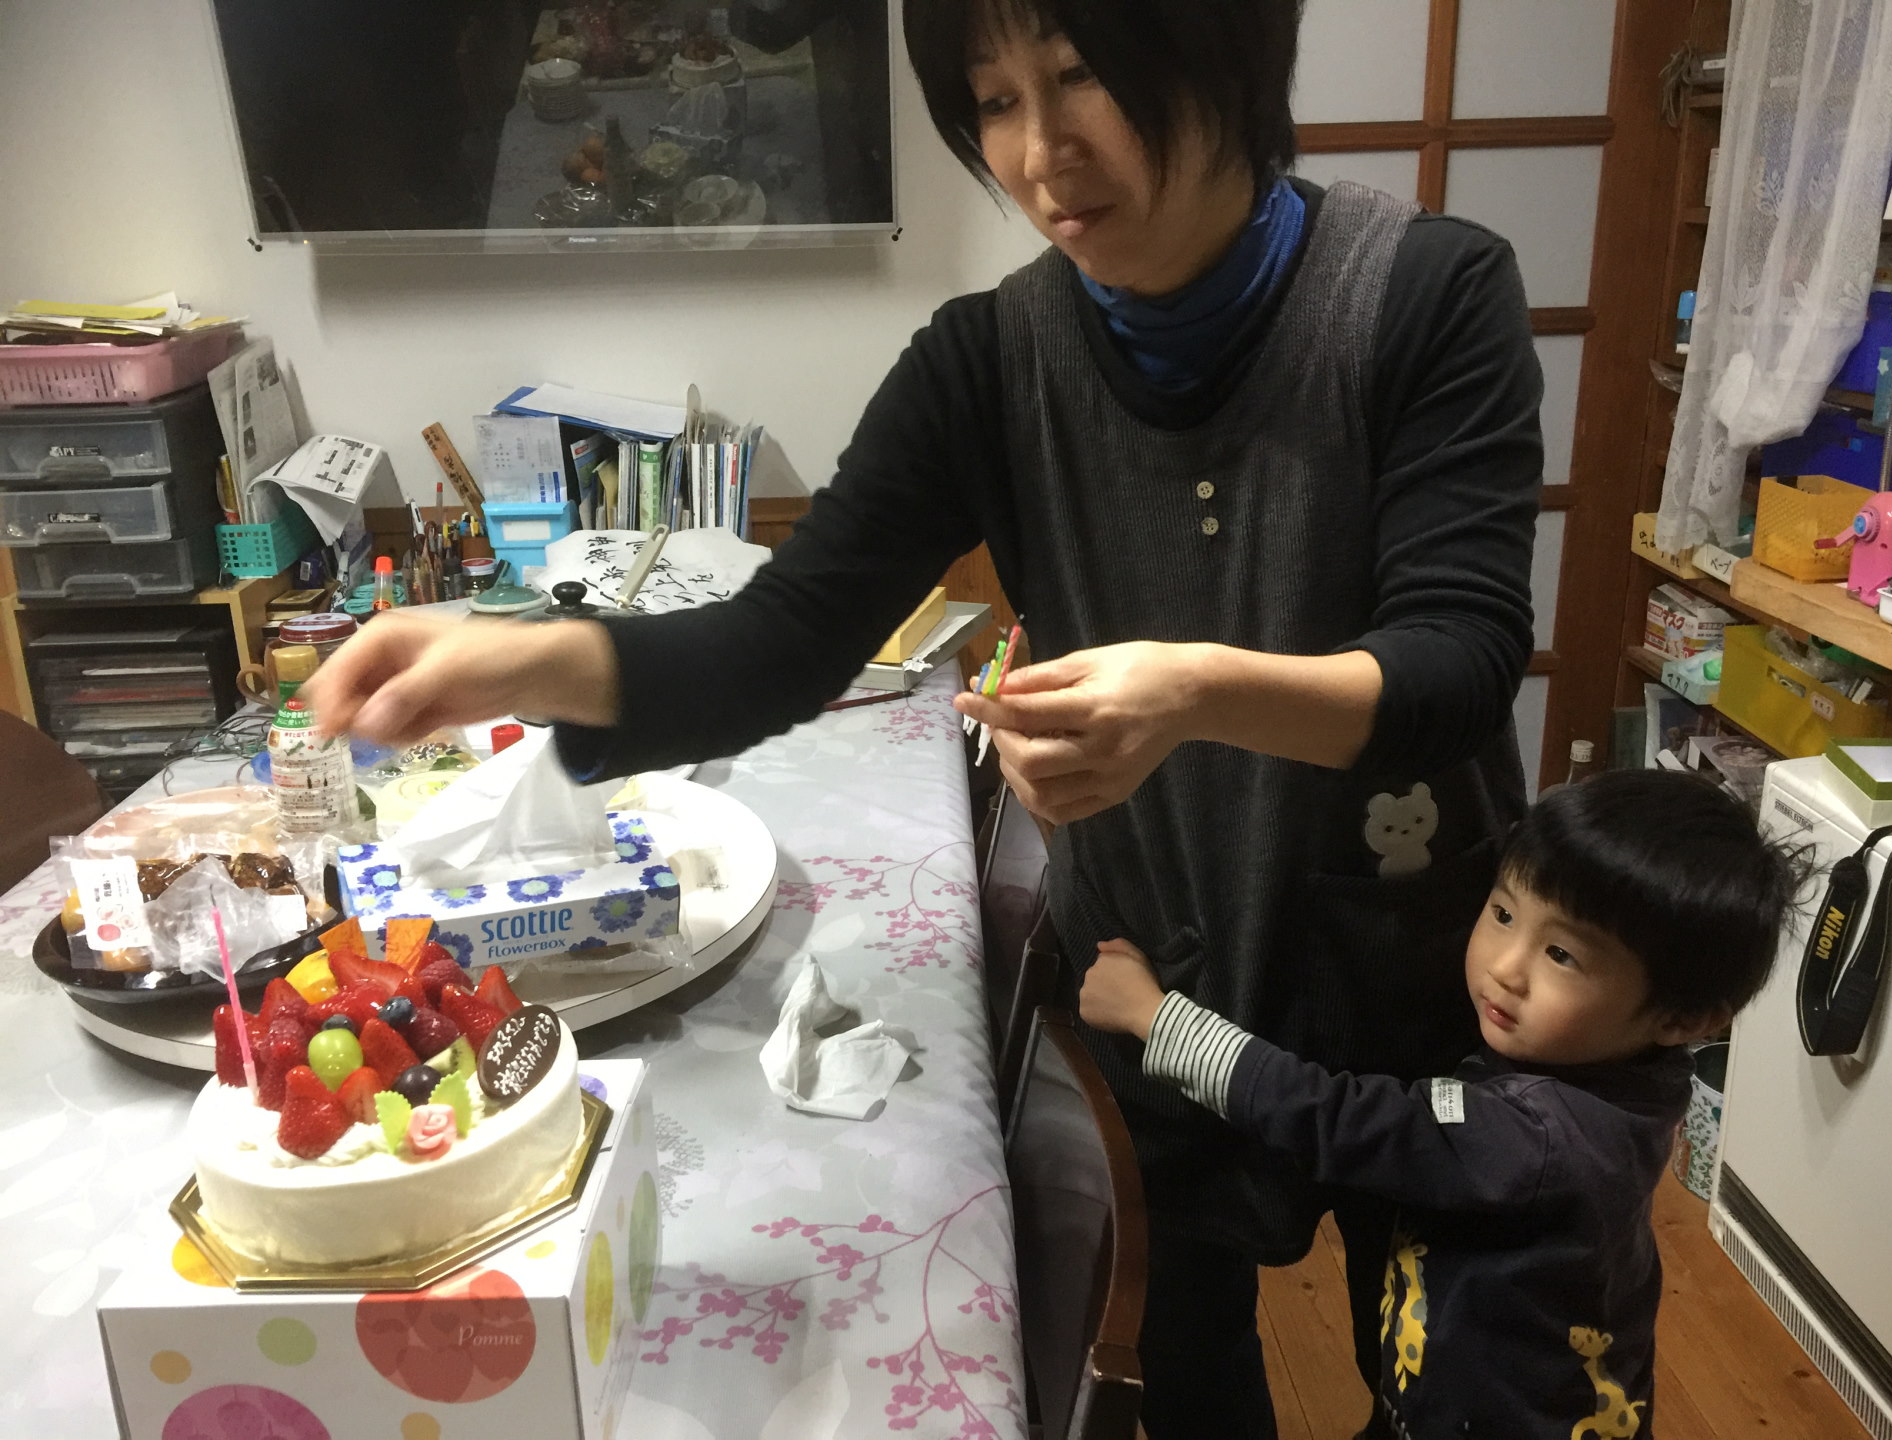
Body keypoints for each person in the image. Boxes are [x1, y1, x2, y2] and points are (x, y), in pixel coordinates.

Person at [307, 2, 1543, 1433]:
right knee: (1190, 1362)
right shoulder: (989, 360)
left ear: (1227, 52)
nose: (1039, 151)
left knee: (1462, 1380)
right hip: (1161, 961)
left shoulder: (1425, 293)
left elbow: (1459, 661)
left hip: (1412, 958)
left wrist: (1192, 692)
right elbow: (780, 642)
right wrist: (518, 663)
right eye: (995, 100)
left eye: (1081, 74)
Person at [1079, 770, 1804, 1439]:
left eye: (1562, 955)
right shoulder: (1630, 1073)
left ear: (1683, 1018)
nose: (1505, 968)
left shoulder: (1535, 1138)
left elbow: (1329, 1116)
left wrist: (1154, 1017)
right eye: (1503, 912)